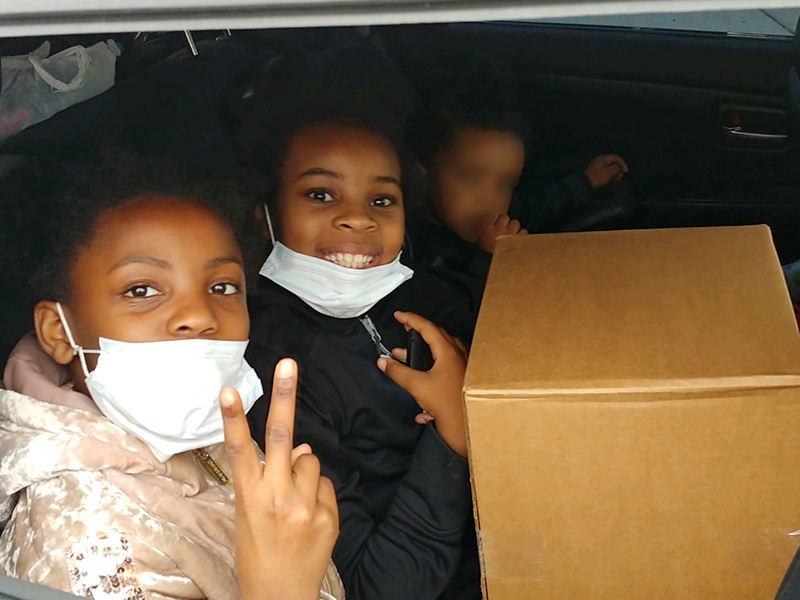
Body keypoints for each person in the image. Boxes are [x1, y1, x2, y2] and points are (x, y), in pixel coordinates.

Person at [0, 154, 343, 600]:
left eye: (222, 287)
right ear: (58, 331)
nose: (199, 315)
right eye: (141, 290)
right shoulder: (84, 541)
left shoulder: (201, 431)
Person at [240, 46, 481, 600]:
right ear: (266, 213)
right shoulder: (275, 376)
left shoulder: (414, 292)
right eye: (320, 194)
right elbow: (376, 587)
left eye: (381, 198)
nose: (357, 217)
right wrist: (453, 434)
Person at [405, 69, 629, 308]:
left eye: (505, 183)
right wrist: (489, 260)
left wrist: (587, 180)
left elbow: (540, 206)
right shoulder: (413, 248)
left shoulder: (497, 215)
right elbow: (452, 317)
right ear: (423, 168)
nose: (489, 198)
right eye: (470, 177)